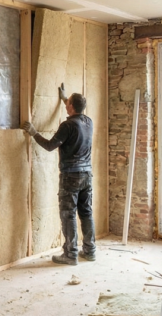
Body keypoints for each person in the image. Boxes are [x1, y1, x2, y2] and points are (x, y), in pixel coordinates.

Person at [22, 84, 96, 265]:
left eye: (67, 103)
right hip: (87, 174)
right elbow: (76, 107)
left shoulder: (67, 125)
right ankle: (90, 251)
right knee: (86, 212)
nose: (65, 105)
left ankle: (71, 254)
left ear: (71, 106)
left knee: (68, 214)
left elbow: (49, 146)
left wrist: (34, 133)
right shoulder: (88, 121)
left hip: (71, 176)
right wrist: (65, 98)